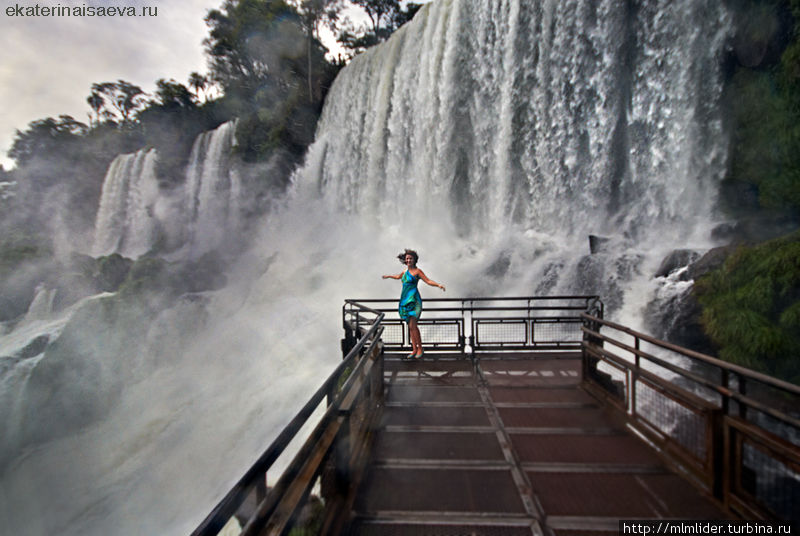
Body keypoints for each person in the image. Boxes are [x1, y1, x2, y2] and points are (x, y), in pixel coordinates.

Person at [382, 249, 445, 359]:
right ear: (405, 261)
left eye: (410, 258)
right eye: (407, 259)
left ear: (414, 260)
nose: (408, 260)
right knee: (410, 326)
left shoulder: (418, 272)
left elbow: (428, 281)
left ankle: (420, 348)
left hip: (414, 300)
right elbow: (397, 277)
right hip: (405, 300)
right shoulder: (404, 272)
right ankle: (414, 349)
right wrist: (388, 276)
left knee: (413, 325)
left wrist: (438, 285)